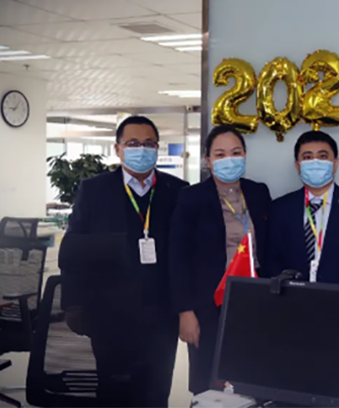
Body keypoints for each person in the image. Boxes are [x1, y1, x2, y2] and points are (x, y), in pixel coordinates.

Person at [61, 115, 188, 408]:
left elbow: (185, 255)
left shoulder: (178, 191)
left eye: (149, 144)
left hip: (161, 314)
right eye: (133, 143)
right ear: (118, 149)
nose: (141, 150)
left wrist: (186, 307)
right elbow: (73, 251)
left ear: (157, 149)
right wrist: (74, 305)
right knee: (114, 393)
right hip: (110, 314)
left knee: (156, 393)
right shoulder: (94, 190)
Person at [169, 124, 271, 395]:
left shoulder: (258, 192)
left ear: (245, 155)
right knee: (209, 381)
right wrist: (185, 311)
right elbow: (178, 258)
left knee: (251, 377)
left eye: (235, 153)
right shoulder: (191, 197)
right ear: (208, 160)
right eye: (220, 154)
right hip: (208, 303)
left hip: (254, 301)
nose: (229, 160)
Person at [267, 130, 339, 285]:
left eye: (322, 156)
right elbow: (272, 259)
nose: (315, 162)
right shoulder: (280, 208)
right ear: (298, 165)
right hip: (292, 296)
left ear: (335, 163)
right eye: (307, 157)